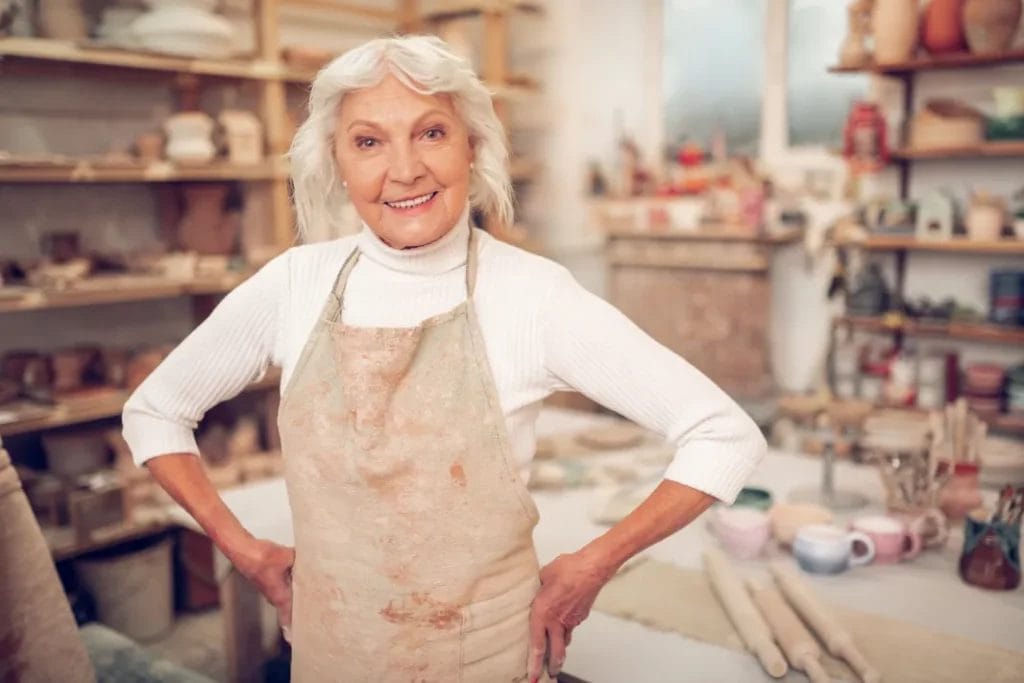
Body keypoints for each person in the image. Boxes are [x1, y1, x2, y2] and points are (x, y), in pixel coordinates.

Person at [122, 35, 766, 682]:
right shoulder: (293, 285)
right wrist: (245, 549)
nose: (404, 170)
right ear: (338, 162)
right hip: (330, 659)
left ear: (472, 146)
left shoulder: (534, 296)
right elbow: (154, 411)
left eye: (430, 133)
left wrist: (595, 561)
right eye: (369, 142)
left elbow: (723, 435)